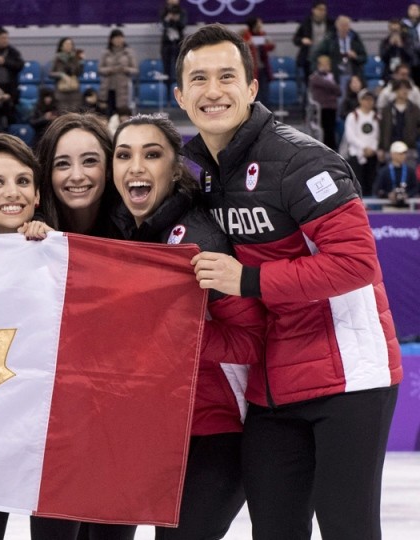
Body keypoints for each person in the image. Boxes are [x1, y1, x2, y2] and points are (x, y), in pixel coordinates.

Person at [175, 23, 401, 540]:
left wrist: (247, 279)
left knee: (347, 528)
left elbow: (356, 264)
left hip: (348, 377)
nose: (214, 91)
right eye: (200, 79)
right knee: (275, 529)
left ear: (252, 88)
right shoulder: (198, 172)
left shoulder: (301, 159)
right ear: (180, 96)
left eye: (227, 76)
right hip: (270, 385)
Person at [110, 113, 264, 540]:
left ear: (175, 167)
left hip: (214, 432)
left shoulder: (199, 238)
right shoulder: (122, 230)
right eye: (124, 155)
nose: (136, 166)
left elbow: (250, 343)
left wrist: (174, 332)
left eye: (152, 154)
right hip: (149, 433)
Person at [0, 133, 80, 540]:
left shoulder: (57, 251)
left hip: (49, 430)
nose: (12, 193)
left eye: (23, 181)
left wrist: (46, 244)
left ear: (39, 194)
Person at [35, 112, 138, 540]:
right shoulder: (27, 236)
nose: (76, 176)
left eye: (90, 161)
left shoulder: (140, 230)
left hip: (120, 422)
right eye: (62, 164)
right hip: (51, 427)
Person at [312, 14, 367, 89]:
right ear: (337, 26)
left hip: (353, 74)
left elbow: (364, 58)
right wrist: (325, 64)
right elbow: (316, 55)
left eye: (346, 25)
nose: (344, 28)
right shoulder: (330, 39)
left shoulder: (355, 39)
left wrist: (356, 57)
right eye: (342, 25)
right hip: (335, 74)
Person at [292, 1, 334, 97]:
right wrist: (303, 40)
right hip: (309, 60)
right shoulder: (306, 23)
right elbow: (295, 39)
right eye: (320, 9)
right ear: (313, 10)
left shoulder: (330, 24)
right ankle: (306, 107)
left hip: (325, 61)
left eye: (324, 10)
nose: (322, 12)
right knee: (308, 87)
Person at [343, 89, 380, 195]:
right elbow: (350, 136)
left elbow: (377, 136)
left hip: (372, 154)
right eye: (366, 99)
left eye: (371, 99)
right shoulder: (353, 116)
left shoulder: (376, 116)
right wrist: (364, 148)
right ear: (360, 100)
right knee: (357, 183)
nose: (368, 102)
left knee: (370, 183)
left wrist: (373, 148)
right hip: (356, 153)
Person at [98, 29, 138, 119]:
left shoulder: (129, 52)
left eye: (120, 38)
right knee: (108, 113)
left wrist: (125, 69)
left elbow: (135, 70)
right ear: (111, 40)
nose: (118, 40)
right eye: (116, 38)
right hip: (108, 86)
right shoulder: (105, 52)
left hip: (123, 87)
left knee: (122, 113)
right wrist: (110, 69)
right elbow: (100, 69)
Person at [378, 79, 420, 163]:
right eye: (402, 88)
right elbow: (382, 130)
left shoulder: (415, 109)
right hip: (391, 148)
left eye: (407, 89)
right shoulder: (387, 110)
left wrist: (413, 138)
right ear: (395, 91)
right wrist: (381, 148)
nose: (405, 91)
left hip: (410, 148)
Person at [308, 54, 343, 150]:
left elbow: (339, 92)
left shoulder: (331, 77)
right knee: (324, 131)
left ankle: (332, 151)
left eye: (328, 65)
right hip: (322, 108)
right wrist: (332, 87)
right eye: (324, 65)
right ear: (319, 66)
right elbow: (332, 88)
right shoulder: (315, 78)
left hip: (332, 108)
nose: (326, 67)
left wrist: (332, 87)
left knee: (331, 132)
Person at [242, 17, 275, 107]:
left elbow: (270, 47)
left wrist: (268, 43)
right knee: (254, 94)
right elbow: (241, 48)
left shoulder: (262, 34)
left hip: (263, 68)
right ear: (254, 25)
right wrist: (248, 43)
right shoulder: (245, 35)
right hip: (252, 70)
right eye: (259, 23)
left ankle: (266, 115)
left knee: (265, 94)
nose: (261, 25)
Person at [374, 140, 419, 204]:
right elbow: (377, 190)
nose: (403, 156)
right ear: (393, 154)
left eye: (404, 153)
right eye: (400, 153)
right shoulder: (384, 171)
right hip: (388, 207)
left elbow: (416, 188)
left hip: (407, 207)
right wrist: (388, 195)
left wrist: (407, 195)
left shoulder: (410, 171)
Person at [50, 37, 84, 112]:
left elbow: (79, 73)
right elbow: (50, 74)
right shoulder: (57, 58)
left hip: (74, 91)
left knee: (74, 114)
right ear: (61, 46)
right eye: (66, 44)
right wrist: (61, 75)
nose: (69, 46)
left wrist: (81, 62)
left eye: (70, 44)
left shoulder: (75, 58)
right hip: (61, 91)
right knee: (63, 114)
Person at [159, 0, 187, 87]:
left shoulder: (182, 12)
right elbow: (162, 26)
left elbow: (183, 25)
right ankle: (166, 89)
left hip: (178, 43)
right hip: (167, 43)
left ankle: (179, 87)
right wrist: (168, 19)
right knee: (166, 68)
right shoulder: (163, 12)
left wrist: (177, 20)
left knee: (179, 66)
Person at [380, 19, 414, 83]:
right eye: (393, 30)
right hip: (389, 72)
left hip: (405, 72)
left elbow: (411, 56)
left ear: (400, 29)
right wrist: (390, 45)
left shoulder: (407, 40)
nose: (395, 31)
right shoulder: (385, 41)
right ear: (389, 29)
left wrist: (401, 46)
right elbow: (383, 57)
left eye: (396, 30)